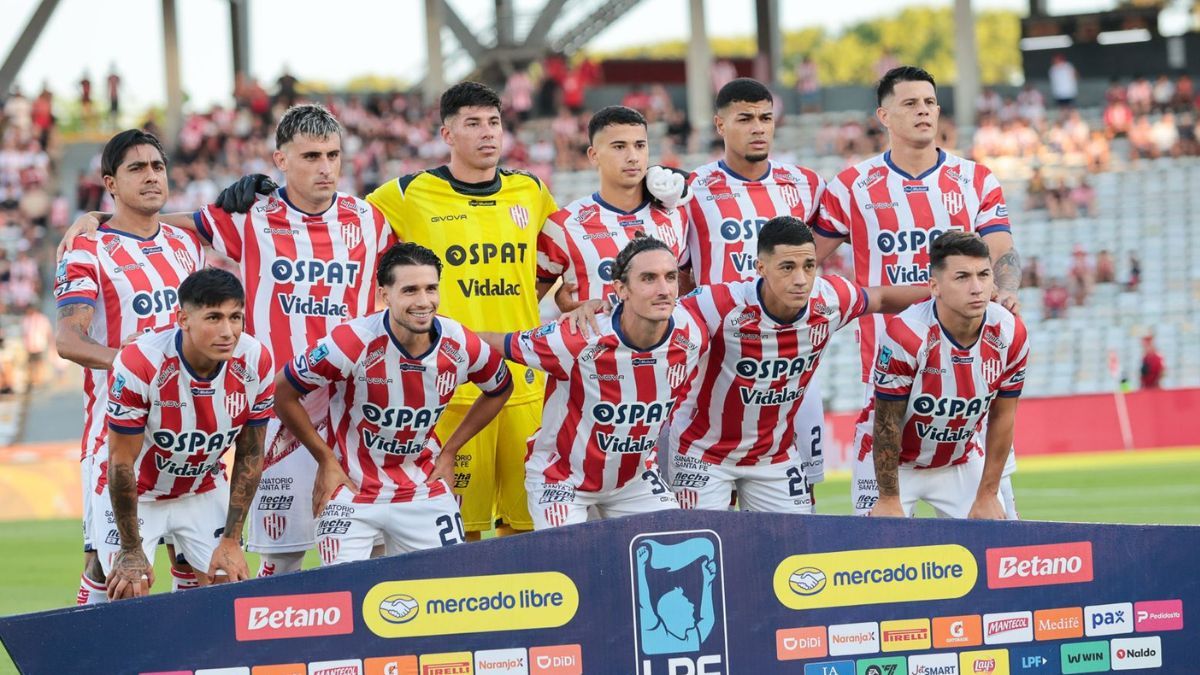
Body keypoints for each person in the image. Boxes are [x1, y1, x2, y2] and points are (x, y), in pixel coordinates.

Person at [60, 104, 397, 577]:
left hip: (352, 411)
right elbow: (153, 223)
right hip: (278, 411)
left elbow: (407, 288)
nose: (325, 167)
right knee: (278, 557)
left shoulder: (371, 220)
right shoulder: (250, 217)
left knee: (369, 551)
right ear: (281, 160)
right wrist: (98, 216)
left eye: (333, 155)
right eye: (311, 156)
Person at [813, 66, 1024, 518]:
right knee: (880, 548)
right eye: (910, 103)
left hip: (968, 382)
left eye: (929, 102)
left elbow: (1002, 251)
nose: (923, 111)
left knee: (998, 537)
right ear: (883, 116)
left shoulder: (975, 179)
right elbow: (806, 258)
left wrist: (1005, 291)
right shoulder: (852, 186)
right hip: (886, 369)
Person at [365, 82, 560, 539]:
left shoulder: (530, 190)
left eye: (494, 122)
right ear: (447, 134)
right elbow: (345, 229)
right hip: (450, 389)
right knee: (457, 531)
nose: (487, 132)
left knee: (528, 526)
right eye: (473, 123)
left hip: (526, 382)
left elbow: (556, 261)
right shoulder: (407, 193)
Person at [666, 217, 929, 513]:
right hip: (702, 454)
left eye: (809, 266)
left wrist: (942, 295)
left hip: (773, 458)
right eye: (787, 268)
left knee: (795, 542)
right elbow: (662, 319)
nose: (801, 279)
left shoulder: (831, 299)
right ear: (761, 268)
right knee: (707, 539)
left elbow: (880, 298)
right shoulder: (718, 303)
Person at [275, 243, 512, 564]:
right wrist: (325, 459)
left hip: (423, 486)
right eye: (410, 290)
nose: (424, 301)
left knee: (449, 582)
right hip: (351, 489)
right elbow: (282, 392)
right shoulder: (351, 342)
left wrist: (450, 451)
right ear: (385, 295)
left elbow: (500, 388)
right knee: (346, 588)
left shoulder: (460, 342)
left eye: (431, 288)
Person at [54, 129, 205, 605]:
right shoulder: (87, 249)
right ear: (110, 183)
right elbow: (68, 339)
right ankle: (85, 645)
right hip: (117, 435)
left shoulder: (187, 245)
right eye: (136, 168)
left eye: (157, 166)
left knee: (199, 568)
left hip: (188, 434)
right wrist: (129, 360)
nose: (151, 176)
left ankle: (189, 648)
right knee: (113, 573)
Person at [667, 77, 831, 502]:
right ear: (720, 125)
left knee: (801, 500)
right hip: (715, 368)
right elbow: (679, 271)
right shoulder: (692, 190)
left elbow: (820, 252)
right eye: (745, 119)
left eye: (765, 118)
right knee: (706, 515)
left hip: (789, 366)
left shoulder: (806, 184)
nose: (758, 128)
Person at [481, 237, 707, 529]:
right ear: (621, 289)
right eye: (648, 278)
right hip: (562, 481)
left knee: (673, 544)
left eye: (671, 277)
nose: (663, 289)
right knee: (572, 555)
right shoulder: (577, 337)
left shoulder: (693, 332)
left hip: (634, 482)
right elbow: (495, 342)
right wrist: (433, 330)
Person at [101, 268, 272, 598]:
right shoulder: (141, 361)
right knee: (129, 587)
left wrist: (231, 540)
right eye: (213, 318)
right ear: (183, 319)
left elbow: (250, 454)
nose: (227, 332)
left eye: (235, 317)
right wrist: (131, 548)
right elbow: (121, 462)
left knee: (228, 585)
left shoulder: (255, 360)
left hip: (201, 486)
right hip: (139, 491)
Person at [867, 232, 1028, 519]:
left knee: (997, 538)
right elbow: (886, 423)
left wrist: (988, 494)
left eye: (983, 275)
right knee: (880, 543)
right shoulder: (907, 334)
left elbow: (1003, 416)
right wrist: (889, 498)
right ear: (935, 286)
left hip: (960, 461)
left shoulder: (1010, 331)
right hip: (895, 465)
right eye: (962, 277)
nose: (977, 288)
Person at [537, 105, 689, 309]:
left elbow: (688, 289)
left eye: (640, 145)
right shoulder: (562, 225)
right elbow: (525, 303)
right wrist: (566, 307)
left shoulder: (677, 214)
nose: (633, 156)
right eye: (619, 147)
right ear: (593, 155)